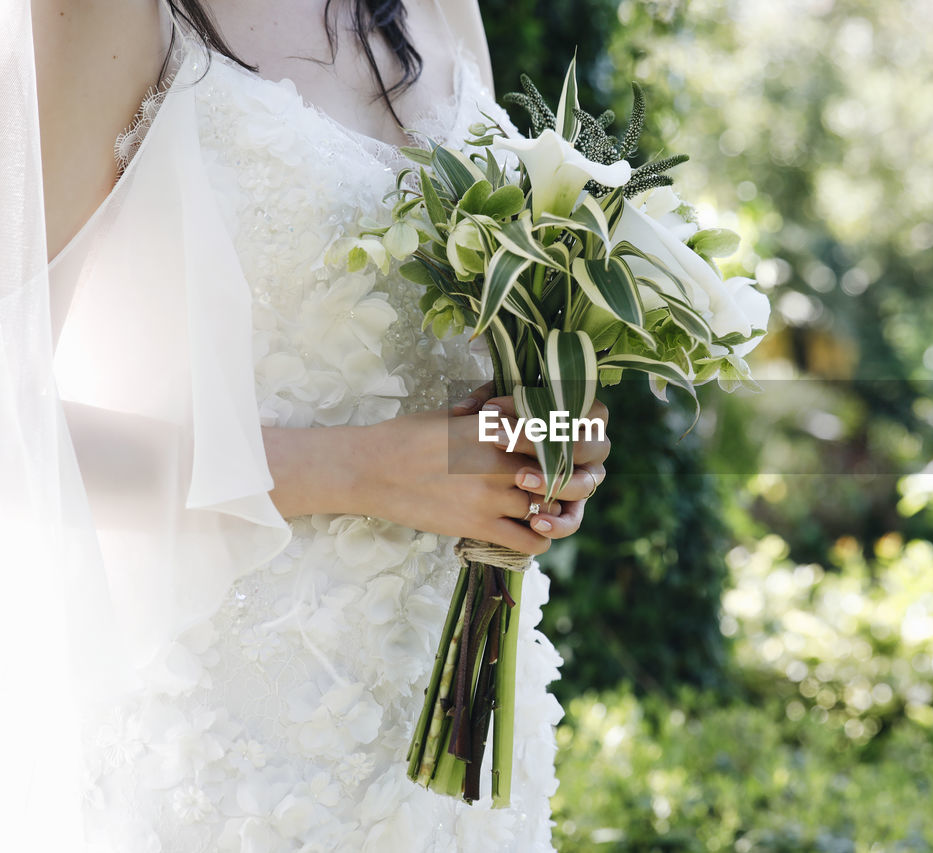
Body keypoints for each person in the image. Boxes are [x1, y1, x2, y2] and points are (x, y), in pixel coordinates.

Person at [16, 0, 609, 848]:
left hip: (463, 739)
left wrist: (545, 439)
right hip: (236, 754)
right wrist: (354, 469)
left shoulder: (441, 9)